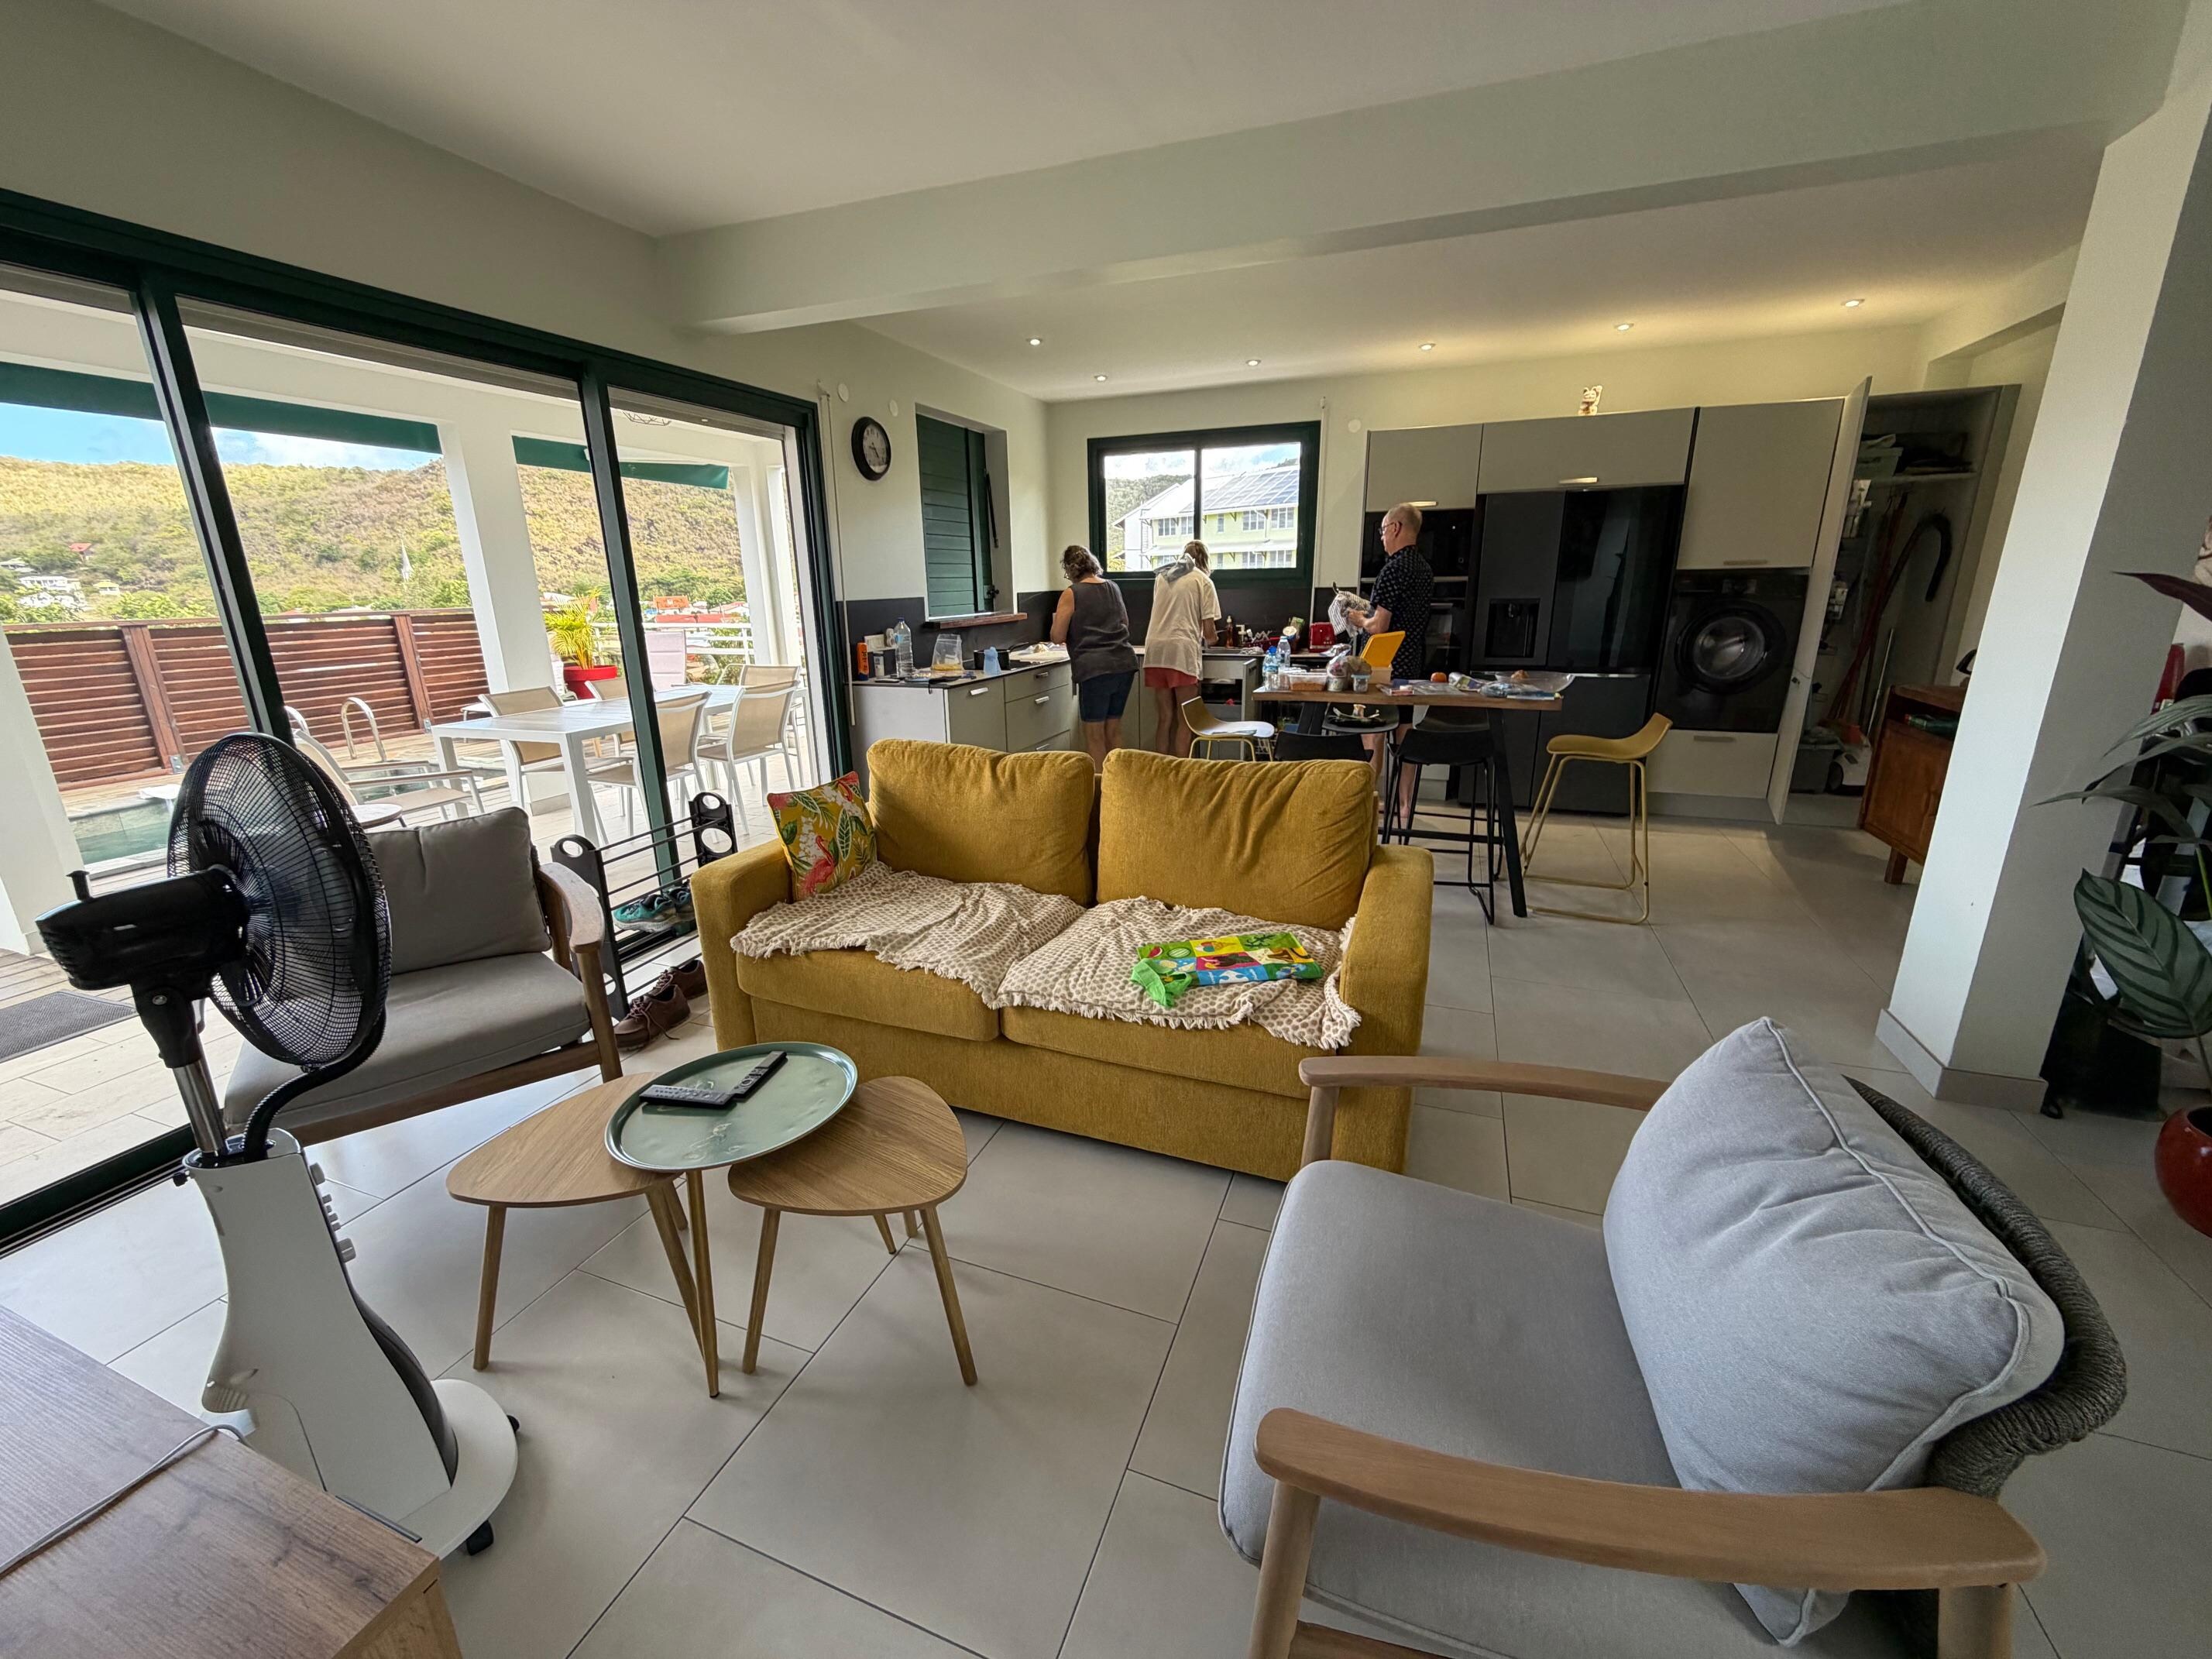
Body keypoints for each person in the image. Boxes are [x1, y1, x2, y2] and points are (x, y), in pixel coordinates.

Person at [1345, 503, 1434, 819]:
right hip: (1411, 664)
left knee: (1373, 729)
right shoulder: (1424, 569)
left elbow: (1380, 626)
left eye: (1383, 530)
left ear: (1395, 528)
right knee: (1405, 731)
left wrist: (1358, 618)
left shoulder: (1392, 569)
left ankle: (1369, 800)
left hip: (1383, 665)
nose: (1382, 537)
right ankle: (1405, 805)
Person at [1050, 544, 1139, 771]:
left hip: (1095, 669)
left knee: (1095, 735)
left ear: (1070, 570)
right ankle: (1120, 787)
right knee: (1114, 730)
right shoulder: (1113, 587)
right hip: (1124, 664)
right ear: (1092, 564)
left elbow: (1058, 635)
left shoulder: (1072, 593)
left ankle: (1100, 793)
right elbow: (1125, 623)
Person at [1142, 539, 1220, 756]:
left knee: (1165, 717)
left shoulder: (1163, 577)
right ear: (1205, 561)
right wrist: (1213, 639)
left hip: (1155, 650)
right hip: (1180, 652)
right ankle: (1181, 775)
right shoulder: (1203, 581)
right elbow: (1210, 633)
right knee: (1186, 718)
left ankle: (1162, 771)